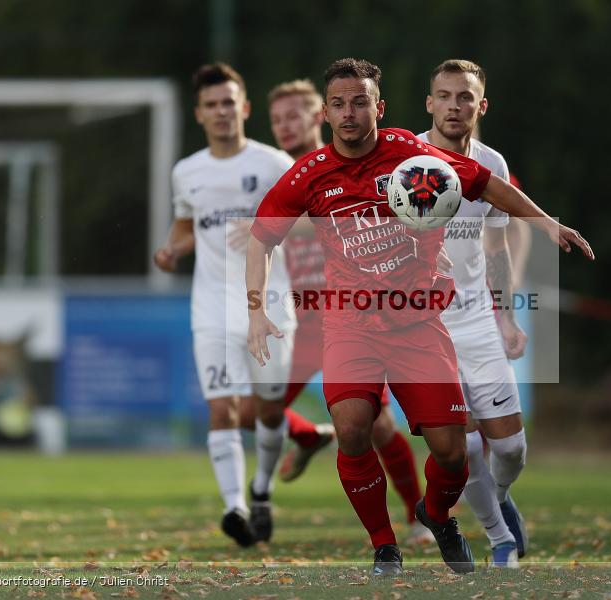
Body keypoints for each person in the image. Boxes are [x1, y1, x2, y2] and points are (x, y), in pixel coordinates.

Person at [246, 58, 593, 576]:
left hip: (418, 320)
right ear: (325, 112)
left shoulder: (409, 154)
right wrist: (255, 311)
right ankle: (384, 544)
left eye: (360, 102)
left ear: (378, 108)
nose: (349, 113)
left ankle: (437, 514)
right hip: (352, 323)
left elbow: (483, 183)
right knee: (352, 426)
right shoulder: (309, 174)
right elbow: (261, 237)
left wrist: (544, 223)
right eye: (338, 104)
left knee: (453, 452)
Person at [266, 79, 434, 544]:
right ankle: (307, 435)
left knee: (378, 426)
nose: (285, 125)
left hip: (349, 314)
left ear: (317, 115)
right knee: (248, 405)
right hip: (301, 318)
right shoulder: (276, 172)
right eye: (276, 118)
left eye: (294, 115)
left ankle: (417, 517)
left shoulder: (339, 167)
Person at [153, 63, 301, 548]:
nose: (221, 111)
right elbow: (185, 226)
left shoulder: (275, 163)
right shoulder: (187, 172)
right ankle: (235, 506)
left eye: (228, 102)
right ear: (199, 114)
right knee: (222, 410)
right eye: (211, 105)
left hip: (270, 305)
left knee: (270, 408)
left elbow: (314, 220)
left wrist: (267, 226)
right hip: (211, 307)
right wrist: (173, 249)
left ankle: (262, 489)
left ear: (244, 107)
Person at [420, 59, 531, 568]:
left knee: (510, 450)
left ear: (480, 106)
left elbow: (496, 244)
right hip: (423, 327)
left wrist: (506, 316)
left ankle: (502, 499)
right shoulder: (409, 163)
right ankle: (500, 540)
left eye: (464, 96)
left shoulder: (494, 166)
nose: (454, 105)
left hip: (477, 322)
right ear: (430, 103)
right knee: (463, 449)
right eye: (444, 95)